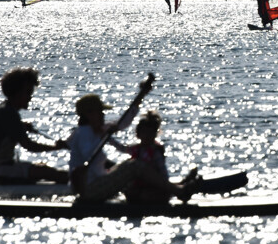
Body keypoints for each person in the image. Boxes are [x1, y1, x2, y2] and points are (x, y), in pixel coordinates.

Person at [68, 75, 193, 203]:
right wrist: (104, 134)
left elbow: (124, 122)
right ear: (89, 114)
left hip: (98, 182)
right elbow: (87, 153)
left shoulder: (96, 130)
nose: (103, 115)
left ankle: (170, 187)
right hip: (89, 190)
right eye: (100, 111)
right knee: (134, 165)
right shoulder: (84, 134)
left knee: (129, 163)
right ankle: (178, 191)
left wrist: (141, 95)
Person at [0, 67, 68, 184]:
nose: (30, 97)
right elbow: (29, 146)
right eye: (28, 92)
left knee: (42, 167)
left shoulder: (0, 109)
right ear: (16, 92)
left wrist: (21, 126)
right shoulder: (8, 114)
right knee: (57, 174)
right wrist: (58, 147)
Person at [121, 111, 200, 204]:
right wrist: (109, 138)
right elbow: (121, 148)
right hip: (139, 186)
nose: (147, 136)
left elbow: (163, 171)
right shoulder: (136, 149)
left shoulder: (155, 152)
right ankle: (183, 184)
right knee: (134, 193)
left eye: (150, 133)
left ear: (154, 135)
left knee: (148, 195)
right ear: (138, 134)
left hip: (154, 185)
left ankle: (181, 187)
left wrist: (166, 185)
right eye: (144, 133)